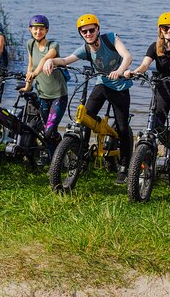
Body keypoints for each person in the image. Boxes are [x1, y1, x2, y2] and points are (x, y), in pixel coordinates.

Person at [43, 14, 133, 184]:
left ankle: (124, 167)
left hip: (120, 86)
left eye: (92, 30)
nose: (88, 33)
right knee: (86, 118)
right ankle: (82, 158)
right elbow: (66, 59)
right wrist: (50, 61)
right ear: (81, 33)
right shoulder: (85, 49)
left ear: (98, 29)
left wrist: (120, 71)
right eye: (84, 31)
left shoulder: (111, 38)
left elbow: (127, 57)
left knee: (122, 127)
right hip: (102, 84)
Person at [124, 12, 170, 170]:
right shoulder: (155, 47)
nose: (169, 31)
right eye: (165, 28)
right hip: (162, 89)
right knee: (155, 124)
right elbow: (144, 66)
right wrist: (134, 72)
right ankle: (166, 146)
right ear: (160, 29)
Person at [20, 15, 68, 161]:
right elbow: (30, 66)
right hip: (42, 95)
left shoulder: (53, 45)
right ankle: (57, 154)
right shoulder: (30, 44)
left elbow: (45, 59)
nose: (38, 32)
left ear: (46, 30)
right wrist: (28, 86)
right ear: (30, 29)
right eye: (35, 29)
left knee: (48, 131)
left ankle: (56, 159)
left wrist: (35, 73)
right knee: (45, 130)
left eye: (41, 29)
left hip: (58, 96)